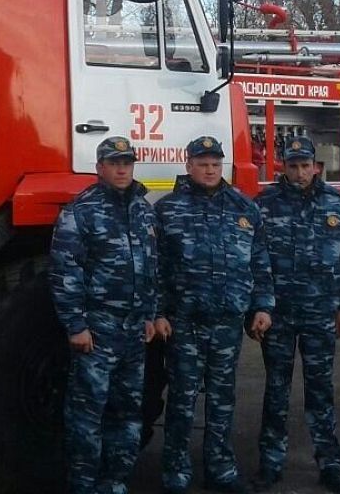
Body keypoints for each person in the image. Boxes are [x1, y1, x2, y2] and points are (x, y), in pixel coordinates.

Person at [154, 136, 275, 494]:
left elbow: (259, 260)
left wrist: (262, 305)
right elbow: (155, 268)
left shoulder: (244, 208)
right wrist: (158, 312)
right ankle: (176, 473)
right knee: (181, 401)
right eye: (202, 163)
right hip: (185, 324)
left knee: (222, 400)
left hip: (227, 322)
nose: (209, 169)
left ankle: (220, 470)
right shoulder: (168, 210)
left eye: (215, 163)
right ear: (188, 165)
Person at [252, 138, 340, 494]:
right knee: (276, 391)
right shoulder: (264, 205)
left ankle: (329, 463)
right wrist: (260, 307)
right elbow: (255, 262)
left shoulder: (336, 204)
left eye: (306, 166)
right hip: (279, 316)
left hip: (320, 314)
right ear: (282, 167)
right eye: (293, 166)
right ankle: (271, 463)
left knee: (320, 390)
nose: (300, 173)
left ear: (316, 166)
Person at [49, 136, 159, 494]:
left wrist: (148, 314)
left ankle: (116, 483)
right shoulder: (80, 211)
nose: (122, 168)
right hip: (97, 332)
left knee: (128, 413)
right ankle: (83, 485)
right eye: (114, 163)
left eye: (127, 162)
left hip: (132, 332)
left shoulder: (143, 210)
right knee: (87, 415)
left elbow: (151, 267)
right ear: (99, 169)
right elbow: (65, 271)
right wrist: (76, 325)